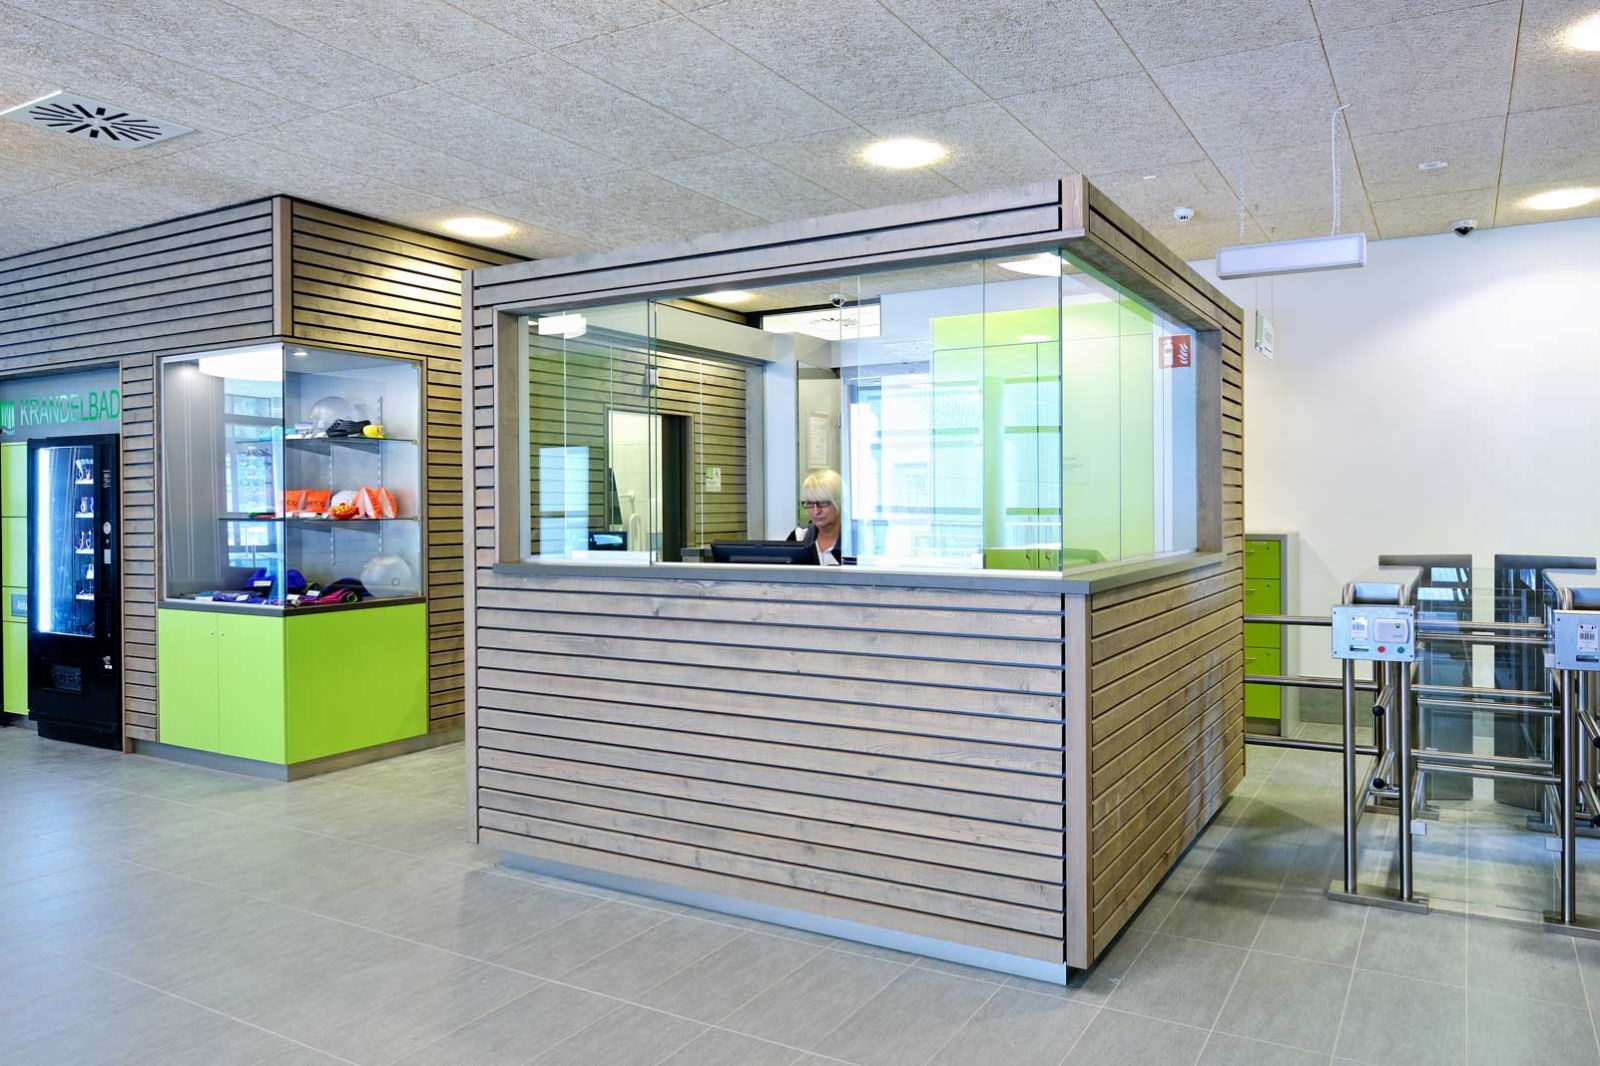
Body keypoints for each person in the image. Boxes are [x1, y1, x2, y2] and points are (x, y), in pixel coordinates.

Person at [786, 468, 843, 566]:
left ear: (839, 502)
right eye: (810, 503)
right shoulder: (798, 537)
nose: (816, 511)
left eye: (823, 502)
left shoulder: (856, 542)